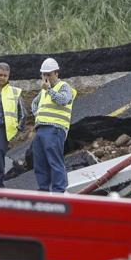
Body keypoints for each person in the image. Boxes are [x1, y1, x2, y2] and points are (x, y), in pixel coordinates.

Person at [31, 57, 77, 193]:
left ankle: (59, 192)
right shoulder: (44, 91)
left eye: (48, 74)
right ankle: (43, 191)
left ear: (56, 73)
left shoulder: (63, 86)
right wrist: (39, 116)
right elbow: (34, 104)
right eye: (43, 74)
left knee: (54, 161)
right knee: (40, 163)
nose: (45, 77)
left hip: (55, 129)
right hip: (41, 129)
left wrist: (50, 90)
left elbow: (64, 100)